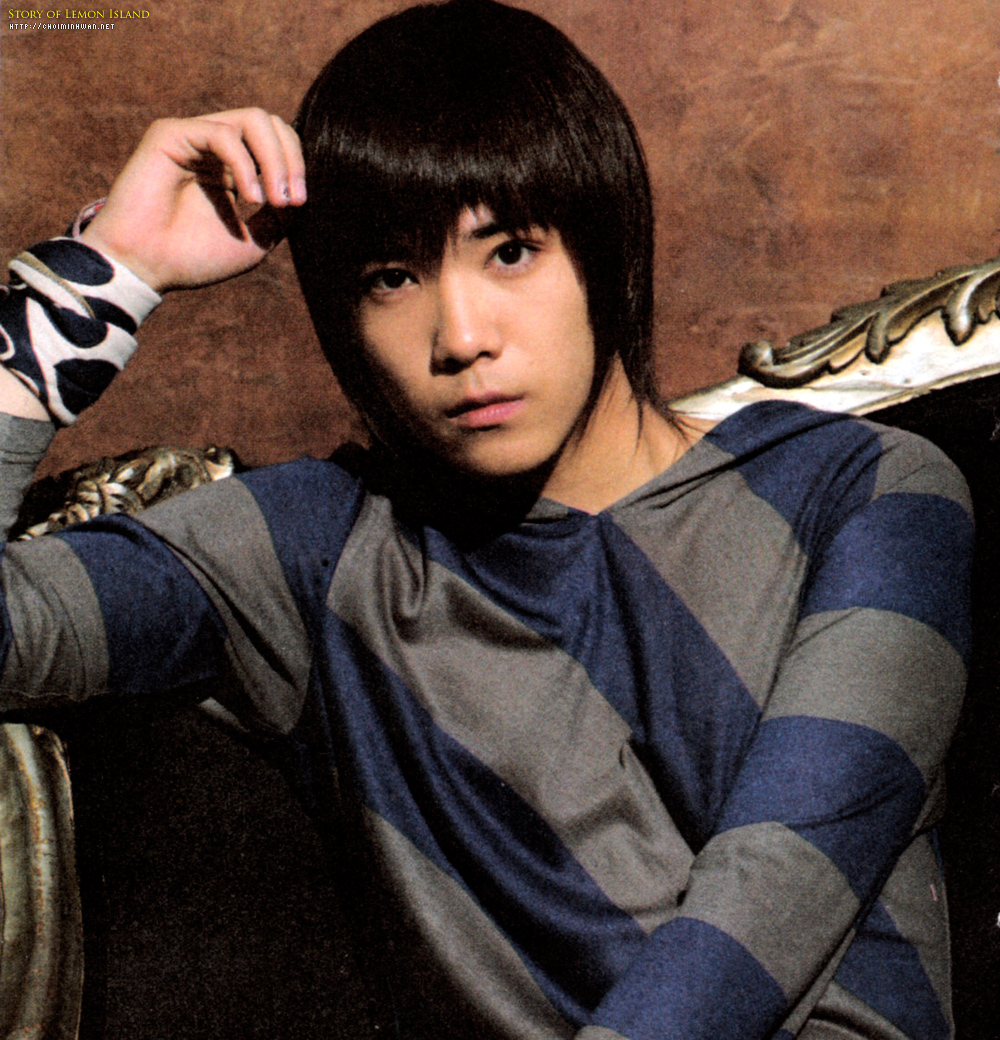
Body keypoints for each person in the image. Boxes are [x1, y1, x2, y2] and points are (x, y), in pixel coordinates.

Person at [0, 1, 973, 1038]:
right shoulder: (310, 553)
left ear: (603, 244)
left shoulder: (864, 490)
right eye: (392, 277)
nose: (460, 336)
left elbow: (777, 884)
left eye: (509, 251)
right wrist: (101, 278)